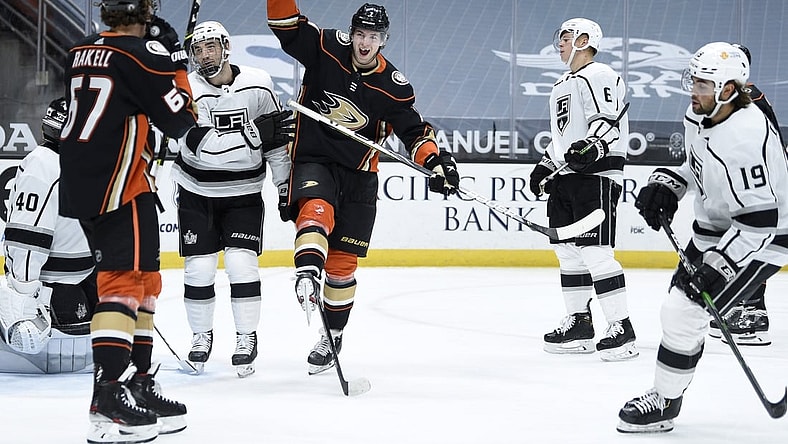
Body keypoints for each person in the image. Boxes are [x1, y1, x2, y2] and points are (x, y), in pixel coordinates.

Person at [267, 1, 460, 375]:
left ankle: (333, 335)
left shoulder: (394, 87)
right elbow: (284, 23)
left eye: (373, 36)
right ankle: (306, 271)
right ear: (351, 33)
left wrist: (436, 163)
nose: (365, 42)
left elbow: (415, 133)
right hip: (315, 159)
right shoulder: (325, 48)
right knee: (315, 210)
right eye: (360, 34)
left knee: (342, 266)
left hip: (359, 175)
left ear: (383, 41)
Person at [618, 41, 788, 433]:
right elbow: (699, 166)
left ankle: (664, 400)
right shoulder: (702, 113)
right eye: (693, 80)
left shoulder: (746, 135)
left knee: (683, 310)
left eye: (703, 83)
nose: (693, 89)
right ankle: (667, 395)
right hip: (718, 227)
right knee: (679, 312)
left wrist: (718, 267)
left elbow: (761, 221)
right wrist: (669, 184)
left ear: (729, 90)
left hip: (765, 235)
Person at [59, 1, 197, 442]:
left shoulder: (80, 50)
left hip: (88, 183)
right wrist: (175, 61)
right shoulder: (142, 56)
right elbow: (182, 121)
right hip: (122, 186)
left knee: (144, 281)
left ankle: (139, 381)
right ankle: (108, 396)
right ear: (146, 13)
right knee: (123, 284)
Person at [170, 20, 294, 378]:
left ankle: (246, 336)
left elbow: (275, 143)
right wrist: (255, 134)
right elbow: (202, 148)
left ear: (226, 47)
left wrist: (284, 187)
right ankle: (200, 336)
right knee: (199, 268)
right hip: (196, 191)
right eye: (198, 49)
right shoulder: (187, 90)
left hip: (243, 193)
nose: (204, 55)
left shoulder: (258, 83)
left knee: (242, 266)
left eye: (210, 47)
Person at [528, 18, 636, 361]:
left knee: (595, 253)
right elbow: (564, 138)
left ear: (584, 39)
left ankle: (622, 328)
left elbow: (607, 124)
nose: (559, 43)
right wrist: (547, 164)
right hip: (567, 180)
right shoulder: (562, 83)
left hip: (596, 177)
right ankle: (579, 323)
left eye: (565, 37)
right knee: (569, 254)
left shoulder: (600, 74)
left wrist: (594, 145)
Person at [0, 97, 96, 374]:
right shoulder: (44, 166)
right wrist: (25, 297)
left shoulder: (80, 165)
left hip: (81, 275)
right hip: (51, 284)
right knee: (53, 341)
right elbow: (26, 240)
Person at [706, 43, 785, 346]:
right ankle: (748, 309)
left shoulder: (746, 101)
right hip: (755, 184)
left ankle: (750, 313)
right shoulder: (747, 98)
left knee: (752, 243)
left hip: (759, 186)